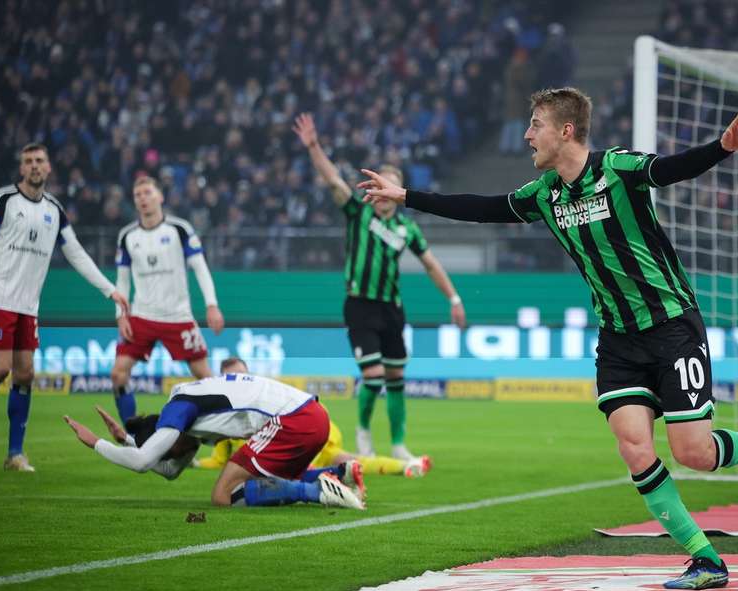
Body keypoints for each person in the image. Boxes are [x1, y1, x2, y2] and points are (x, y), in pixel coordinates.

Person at [358, 88, 738, 591]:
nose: (527, 134)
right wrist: (409, 197)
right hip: (617, 339)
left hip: (672, 326)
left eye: (536, 124)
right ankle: (705, 558)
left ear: (565, 131)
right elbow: (482, 207)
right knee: (634, 447)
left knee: (692, 452)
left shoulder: (620, 169)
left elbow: (673, 168)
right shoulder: (544, 195)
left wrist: (721, 148)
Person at [293, 112, 466, 461]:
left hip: (391, 308)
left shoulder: (407, 229)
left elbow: (431, 264)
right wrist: (313, 147)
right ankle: (364, 436)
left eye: (390, 186)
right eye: (379, 184)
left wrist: (454, 297)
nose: (383, 191)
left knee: (397, 376)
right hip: (360, 305)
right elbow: (332, 181)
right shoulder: (359, 213)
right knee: (373, 376)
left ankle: (399, 444)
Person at [0, 143, 130, 472]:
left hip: (28, 306)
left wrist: (110, 290)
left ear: (49, 168)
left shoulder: (54, 209)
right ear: (21, 168)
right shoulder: (4, 199)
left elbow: (76, 253)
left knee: (26, 373)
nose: (35, 166)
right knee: (1, 367)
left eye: (40, 161)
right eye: (28, 161)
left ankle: (14, 454)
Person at [64, 373, 365, 510]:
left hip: (293, 420)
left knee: (223, 494)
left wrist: (96, 443)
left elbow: (145, 463)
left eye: (167, 449)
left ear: (167, 434)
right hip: (313, 415)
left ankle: (317, 491)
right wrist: (129, 441)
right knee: (268, 479)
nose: (176, 456)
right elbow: (170, 471)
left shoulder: (177, 410)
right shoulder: (188, 409)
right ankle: (341, 474)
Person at [197, 357, 432, 478]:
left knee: (325, 466)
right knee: (351, 461)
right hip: (300, 444)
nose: (239, 380)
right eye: (232, 377)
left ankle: (403, 467)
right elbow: (218, 460)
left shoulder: (261, 398)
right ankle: (403, 467)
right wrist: (195, 463)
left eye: (242, 374)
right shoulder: (228, 419)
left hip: (304, 438)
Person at [111, 176, 225, 423]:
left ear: (160, 197)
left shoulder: (179, 229)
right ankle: (132, 436)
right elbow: (122, 282)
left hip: (178, 317)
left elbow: (200, 267)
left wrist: (211, 305)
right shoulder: (127, 236)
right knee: (118, 375)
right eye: (138, 195)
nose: (143, 198)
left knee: (207, 380)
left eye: (148, 193)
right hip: (142, 316)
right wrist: (121, 316)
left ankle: (223, 434)